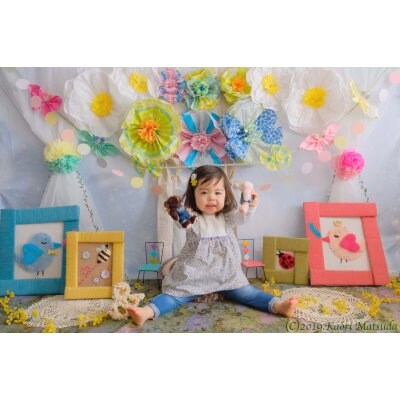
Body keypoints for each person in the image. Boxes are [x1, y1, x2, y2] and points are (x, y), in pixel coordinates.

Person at [128, 165, 298, 325]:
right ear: (193, 195)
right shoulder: (192, 217)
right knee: (174, 295)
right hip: (194, 276)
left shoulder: (228, 216)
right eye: (204, 192)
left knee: (248, 293)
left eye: (218, 192)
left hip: (227, 275)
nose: (211, 198)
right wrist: (176, 211)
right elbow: (181, 223)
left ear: (226, 194)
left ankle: (278, 306)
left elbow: (243, 217)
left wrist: (250, 205)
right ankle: (146, 312)